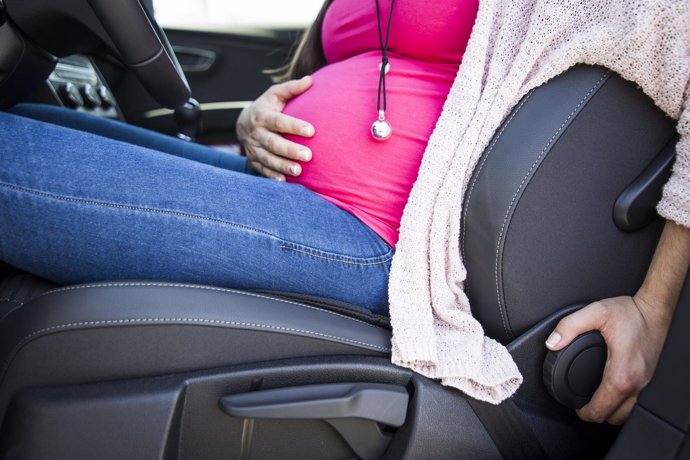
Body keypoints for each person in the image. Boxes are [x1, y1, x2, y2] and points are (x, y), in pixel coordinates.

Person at [1, 0, 689, 422]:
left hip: (377, 238)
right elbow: (312, 74)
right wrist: (255, 117)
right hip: (278, 187)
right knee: (29, 115)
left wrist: (652, 310)